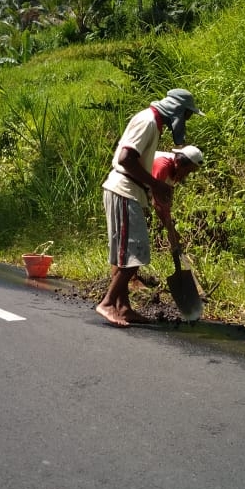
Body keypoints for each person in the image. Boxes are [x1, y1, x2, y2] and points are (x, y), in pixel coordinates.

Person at [96, 89, 204, 327]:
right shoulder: (148, 121)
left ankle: (123, 308)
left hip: (130, 192)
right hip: (124, 189)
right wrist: (156, 185)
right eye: (186, 116)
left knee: (126, 254)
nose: (185, 122)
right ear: (177, 110)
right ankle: (107, 303)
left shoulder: (154, 124)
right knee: (136, 252)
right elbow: (126, 158)